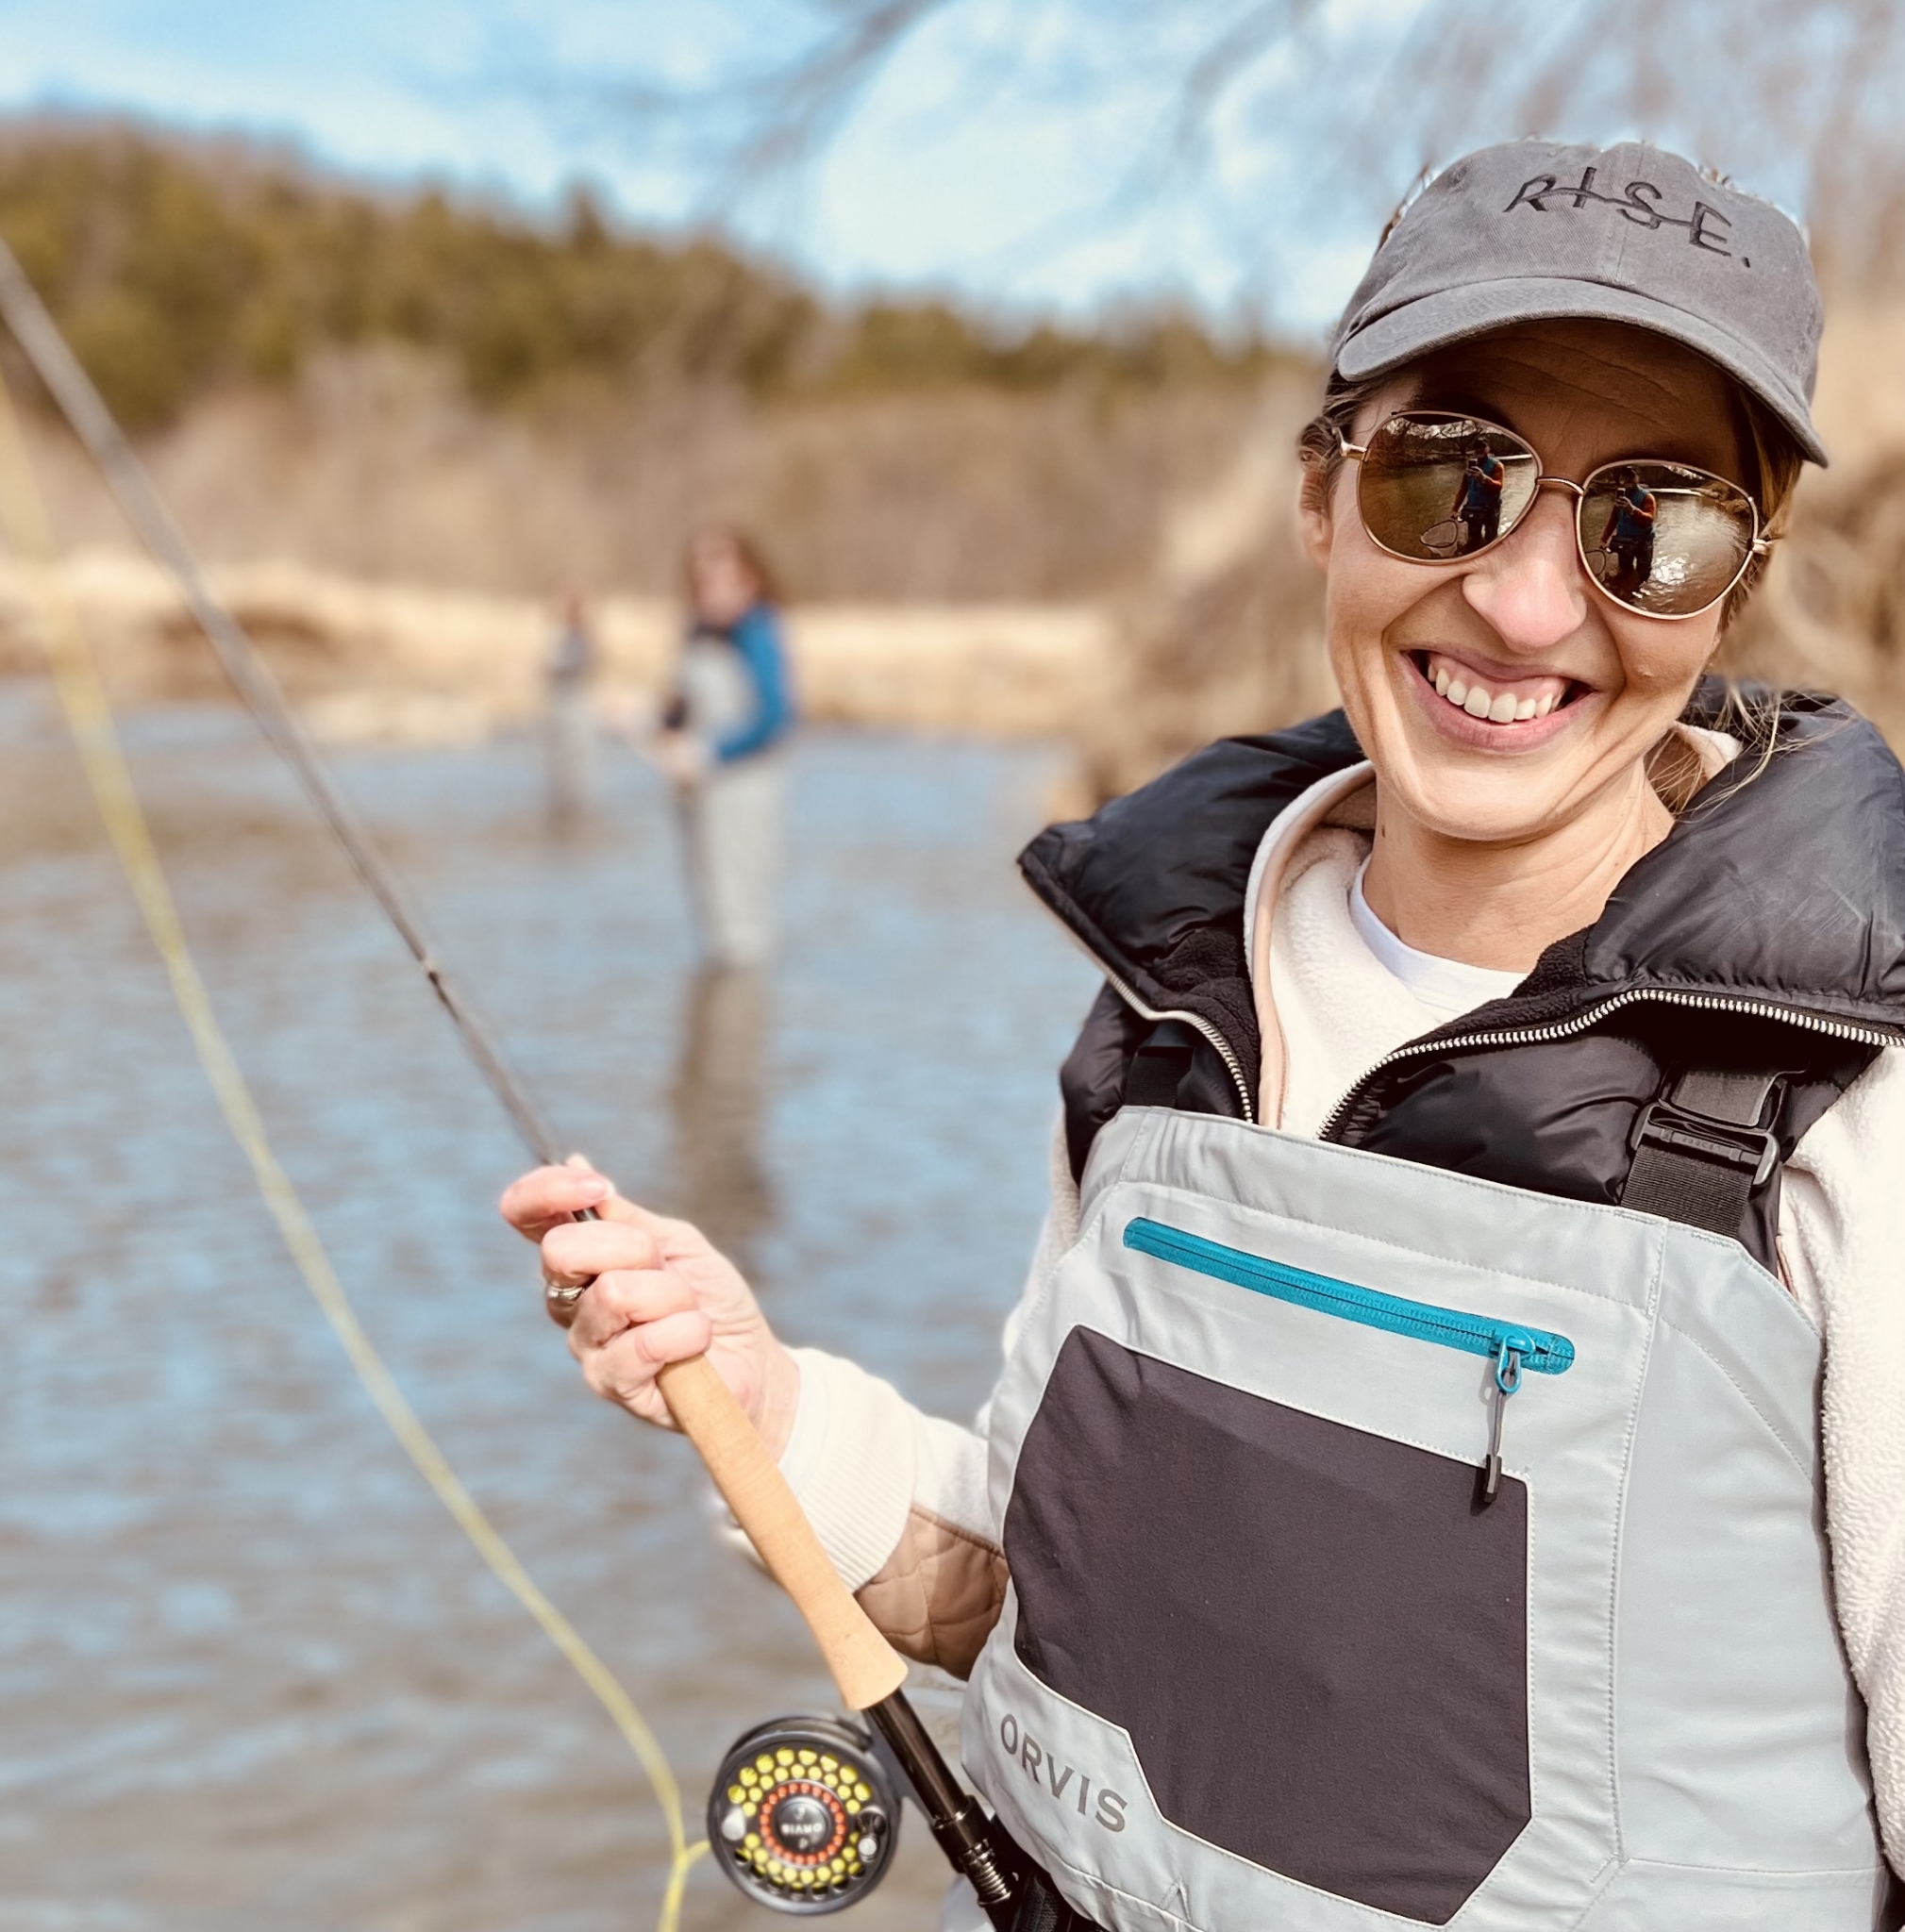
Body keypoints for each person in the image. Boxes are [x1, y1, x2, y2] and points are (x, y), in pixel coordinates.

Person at [504, 141, 1905, 1932]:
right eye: (1446, 477)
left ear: (1734, 585)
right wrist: (765, 1403)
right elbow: (1031, 1604)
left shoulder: (1857, 1102)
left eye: (1652, 523)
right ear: (1321, 496)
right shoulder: (1161, 1011)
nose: (1525, 604)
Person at [652, 528, 795, 968]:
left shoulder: (757, 631)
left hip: (744, 789)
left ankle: (743, 1000)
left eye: (721, 578)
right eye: (700, 580)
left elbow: (775, 717)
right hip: (696, 793)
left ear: (750, 580)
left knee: (741, 919)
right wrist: (653, 720)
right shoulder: (695, 632)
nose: (709, 590)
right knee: (709, 908)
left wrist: (710, 753)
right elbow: (680, 706)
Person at [543, 591, 597, 823]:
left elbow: (587, 666)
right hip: (561, 704)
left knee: (577, 764)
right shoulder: (560, 636)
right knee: (559, 762)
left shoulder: (582, 637)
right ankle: (563, 811)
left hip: (576, 705)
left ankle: (575, 811)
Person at [1600, 462, 1660, 595]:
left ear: (1637, 478)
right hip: (1624, 542)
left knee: (1644, 573)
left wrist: (1632, 510)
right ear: (1620, 479)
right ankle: (1626, 594)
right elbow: (1613, 520)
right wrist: (1603, 539)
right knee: (1625, 570)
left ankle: (1640, 596)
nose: (1627, 480)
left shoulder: (1647, 497)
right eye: (1624, 477)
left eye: (1631, 476)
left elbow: (1649, 519)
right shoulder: (1620, 497)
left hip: (1643, 542)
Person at [1450, 435, 1507, 552]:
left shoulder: (1497, 465)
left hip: (1491, 510)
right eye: (1476, 447)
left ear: (1488, 448)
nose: (1479, 449)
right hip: (1473, 510)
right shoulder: (1470, 466)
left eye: (1482, 447)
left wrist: (1483, 478)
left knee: (1491, 539)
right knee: (1473, 540)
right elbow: (1463, 489)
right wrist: (1455, 508)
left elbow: (1498, 487)